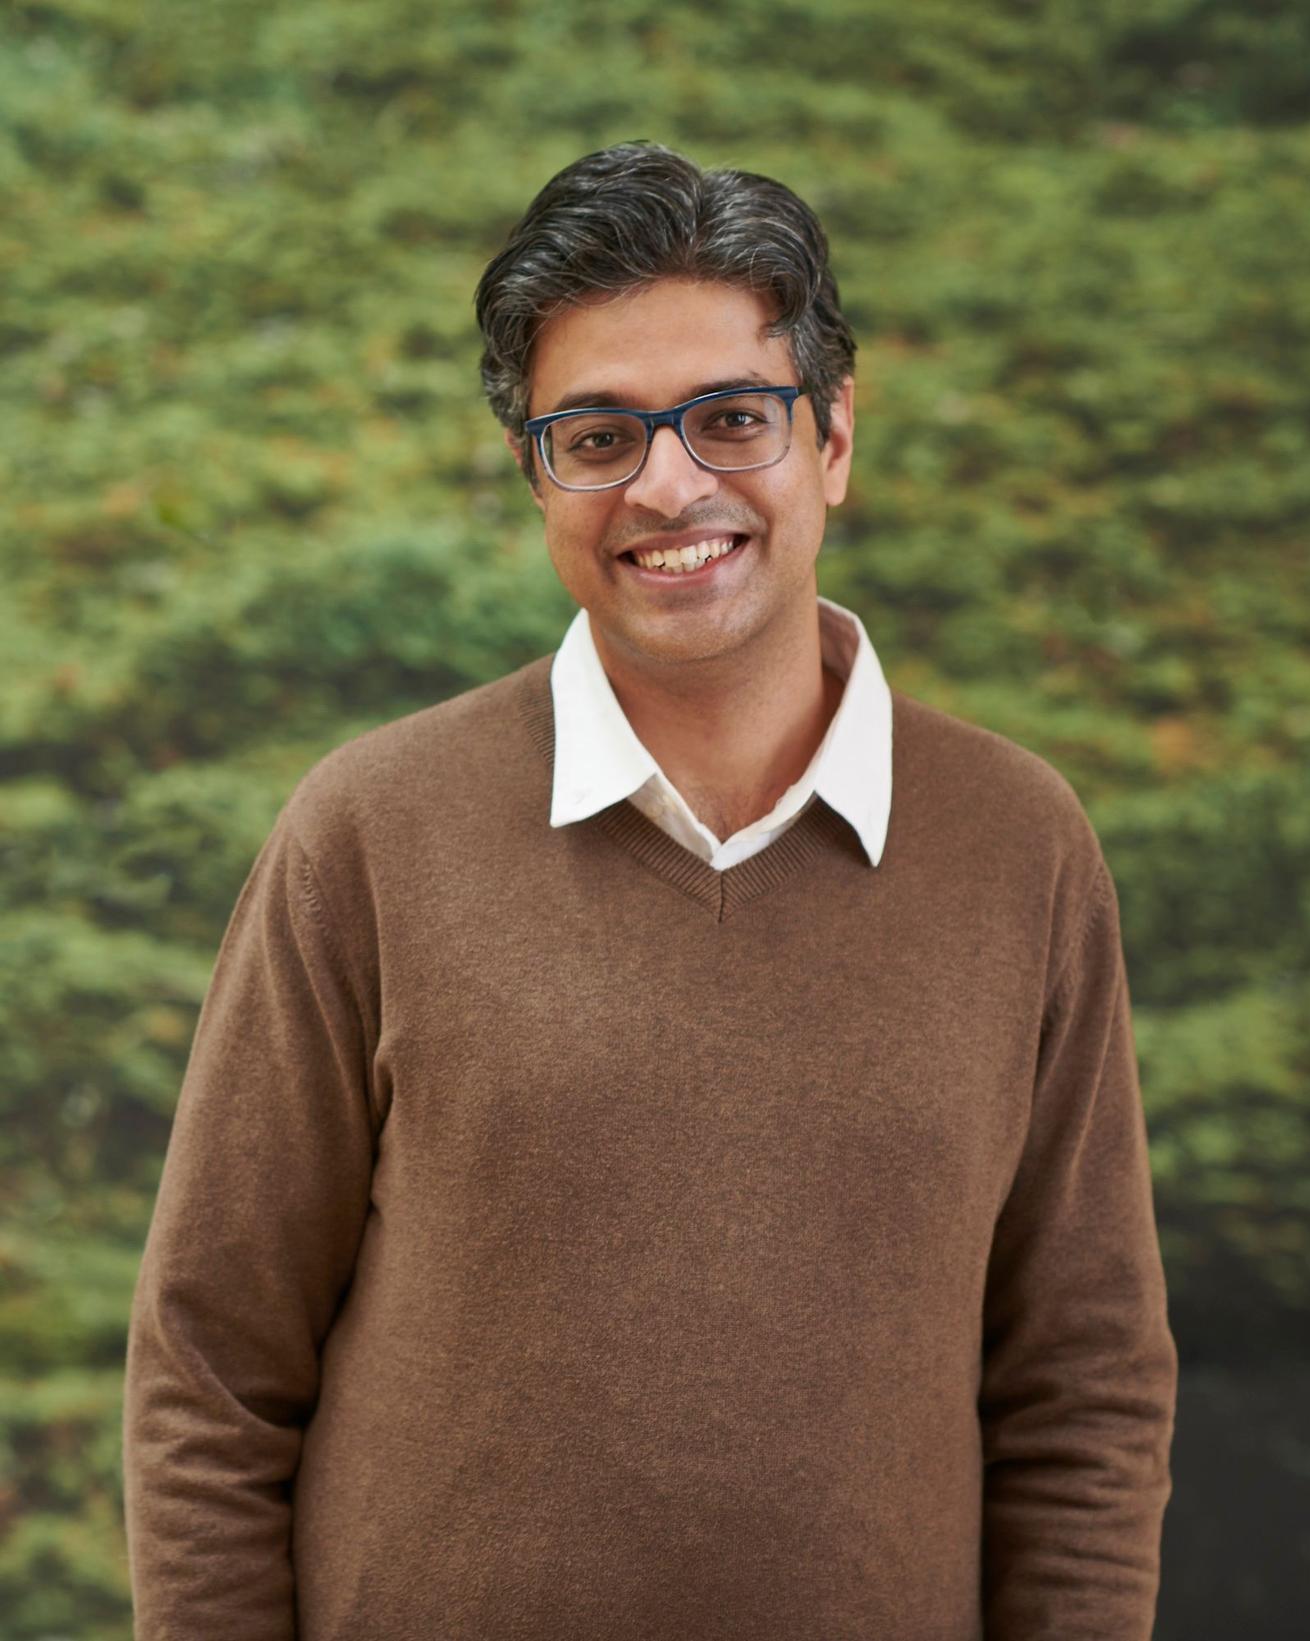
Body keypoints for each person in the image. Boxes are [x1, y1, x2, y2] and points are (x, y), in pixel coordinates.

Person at [122, 140, 1177, 1640]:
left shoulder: (1021, 844)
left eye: (732, 418)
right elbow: (211, 1366)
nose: (669, 482)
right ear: (536, 474)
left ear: (833, 440)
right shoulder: (367, 830)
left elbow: (1087, 1386)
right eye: (598, 435)